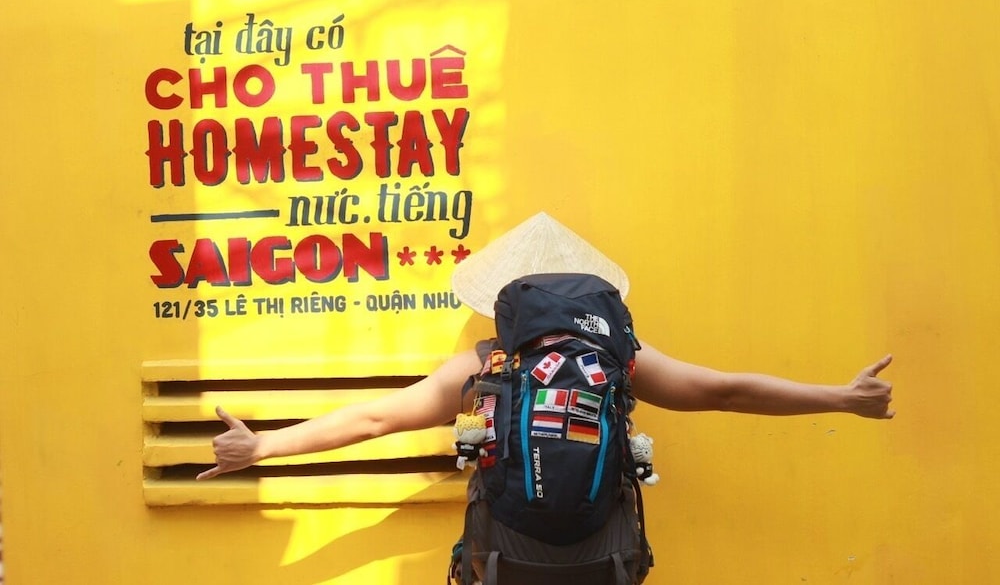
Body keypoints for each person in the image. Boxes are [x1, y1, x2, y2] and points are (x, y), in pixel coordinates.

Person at [197, 212, 893, 480]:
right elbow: (725, 392)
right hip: (599, 554)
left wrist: (264, 445)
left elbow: (375, 418)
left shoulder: (483, 365)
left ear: (503, 301)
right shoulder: (620, 357)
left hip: (510, 556)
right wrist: (842, 397)